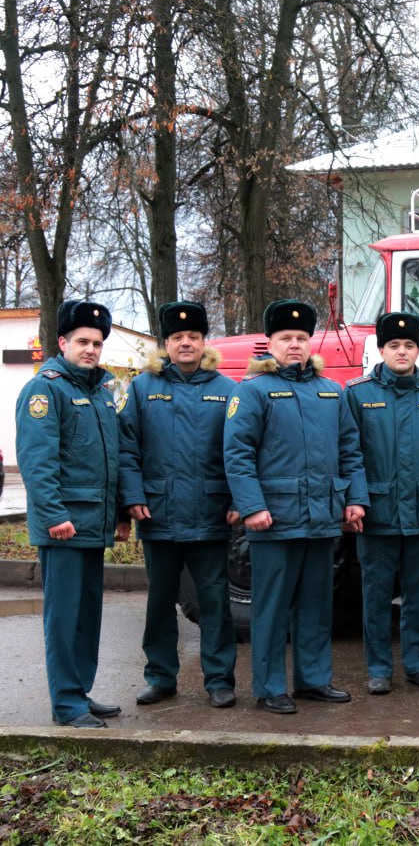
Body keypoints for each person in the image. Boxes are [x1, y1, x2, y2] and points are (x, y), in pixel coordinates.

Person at [223, 299, 369, 714]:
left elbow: (349, 449)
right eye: (286, 338)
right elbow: (237, 454)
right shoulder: (252, 392)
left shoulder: (330, 392)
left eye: (302, 338)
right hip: (274, 519)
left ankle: (313, 679)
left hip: (322, 519)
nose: (294, 345)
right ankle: (269, 688)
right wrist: (251, 506)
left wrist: (355, 499)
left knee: (315, 605)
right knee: (270, 608)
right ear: (269, 343)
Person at [118, 301, 238, 709]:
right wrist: (132, 497)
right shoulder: (142, 389)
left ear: (205, 342)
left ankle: (220, 679)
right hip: (157, 512)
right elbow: (127, 449)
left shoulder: (227, 390)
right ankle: (160, 676)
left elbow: (239, 452)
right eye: (177, 338)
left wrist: (238, 500)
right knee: (158, 602)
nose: (185, 343)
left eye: (193, 337)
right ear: (165, 343)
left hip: (210, 513)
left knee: (214, 602)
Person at [17, 299, 124, 728]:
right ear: (63, 342)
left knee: (87, 615)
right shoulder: (46, 389)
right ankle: (66, 703)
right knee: (63, 618)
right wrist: (52, 514)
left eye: (97, 343)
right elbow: (37, 460)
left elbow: (109, 460)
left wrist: (116, 513)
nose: (91, 349)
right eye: (82, 341)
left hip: (93, 523)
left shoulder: (100, 393)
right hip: (63, 526)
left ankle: (79, 691)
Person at [345, 312, 419, 694]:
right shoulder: (358, 393)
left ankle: (417, 664)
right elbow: (349, 453)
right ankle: (379, 669)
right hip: (376, 514)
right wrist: (354, 501)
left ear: (418, 349)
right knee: (377, 595)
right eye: (394, 345)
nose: (401, 351)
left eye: (409, 345)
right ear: (381, 349)